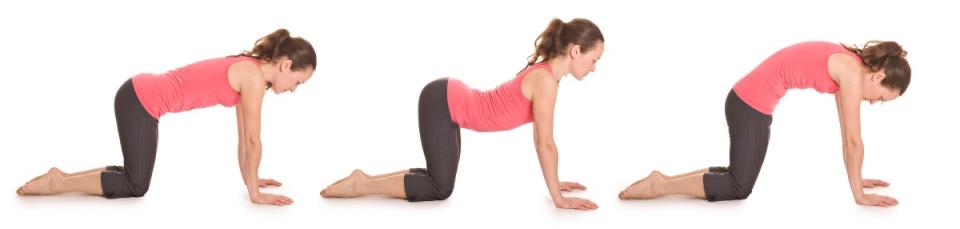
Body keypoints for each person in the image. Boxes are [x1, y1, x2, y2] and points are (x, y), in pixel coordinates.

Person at [320, 18, 605, 211]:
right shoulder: (545, 82)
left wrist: (554, 182)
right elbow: (545, 142)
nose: (594, 68)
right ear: (576, 50)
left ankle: (364, 178)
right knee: (439, 187)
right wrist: (558, 198)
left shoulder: (548, 78)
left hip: (446, 101)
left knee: (438, 179)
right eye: (594, 60)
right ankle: (363, 184)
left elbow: (540, 138)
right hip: (443, 103)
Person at [16, 29, 316, 206]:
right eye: (298, 82)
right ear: (286, 65)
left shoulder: (250, 71)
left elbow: (244, 137)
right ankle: (57, 185)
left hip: (138, 96)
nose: (294, 90)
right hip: (140, 100)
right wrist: (255, 194)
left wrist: (252, 180)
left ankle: (62, 177)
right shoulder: (251, 78)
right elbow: (252, 140)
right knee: (136, 185)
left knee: (132, 174)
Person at [619, 41, 910, 207]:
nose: (873, 103)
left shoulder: (849, 67)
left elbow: (847, 136)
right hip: (749, 105)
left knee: (736, 176)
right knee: (738, 186)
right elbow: (853, 141)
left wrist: (856, 178)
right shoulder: (849, 71)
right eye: (882, 98)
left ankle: (664, 180)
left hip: (748, 103)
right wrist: (859, 194)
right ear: (878, 77)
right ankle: (660, 186)